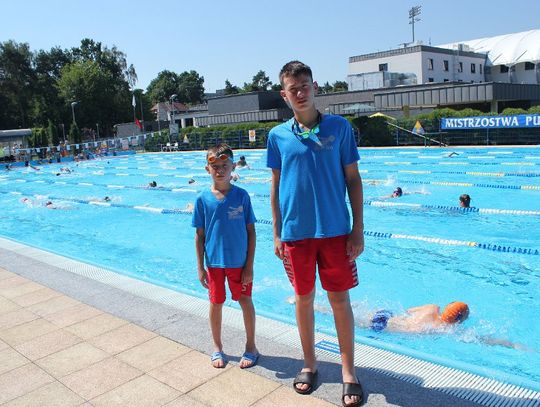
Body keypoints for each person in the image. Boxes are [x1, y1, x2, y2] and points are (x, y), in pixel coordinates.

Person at [267, 61, 364, 407]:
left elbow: (353, 179)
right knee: (303, 299)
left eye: (305, 86)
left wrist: (357, 228)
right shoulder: (277, 136)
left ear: (315, 87)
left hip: (336, 231)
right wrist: (277, 232)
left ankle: (349, 372)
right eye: (293, 89)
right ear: (284, 95)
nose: (300, 93)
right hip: (296, 233)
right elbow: (276, 186)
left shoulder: (339, 128)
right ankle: (309, 364)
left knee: (339, 300)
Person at [192, 143, 259, 370]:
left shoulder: (242, 196)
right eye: (215, 167)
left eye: (224, 166)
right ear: (207, 169)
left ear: (233, 167)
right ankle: (217, 347)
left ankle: (251, 346)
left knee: (245, 301)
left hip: (239, 263)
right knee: (216, 303)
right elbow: (199, 236)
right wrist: (200, 267)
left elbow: (251, 232)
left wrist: (249, 266)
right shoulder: (202, 199)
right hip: (214, 263)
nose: (220, 171)